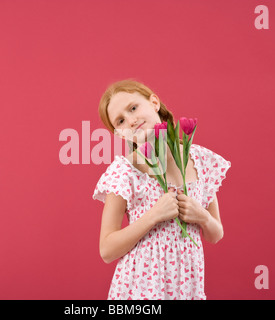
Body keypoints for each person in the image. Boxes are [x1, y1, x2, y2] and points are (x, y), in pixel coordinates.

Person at [92, 79, 231, 300]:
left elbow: (215, 234)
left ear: (154, 102)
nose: (131, 120)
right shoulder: (124, 171)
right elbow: (107, 250)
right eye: (120, 121)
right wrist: (153, 216)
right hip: (141, 290)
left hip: (186, 287)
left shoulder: (200, 161)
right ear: (119, 134)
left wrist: (202, 216)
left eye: (133, 108)